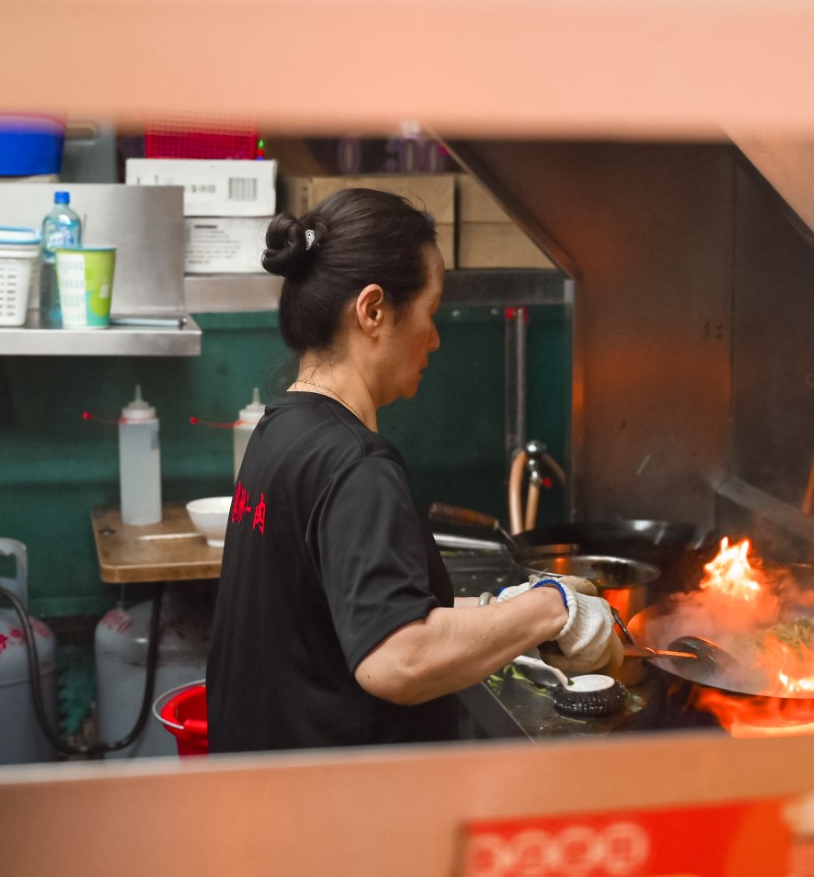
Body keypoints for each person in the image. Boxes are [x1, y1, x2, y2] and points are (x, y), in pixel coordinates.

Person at [206, 188, 621, 752]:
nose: (437, 336)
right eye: (431, 311)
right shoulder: (356, 464)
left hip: (267, 805)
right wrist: (554, 608)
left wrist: (507, 608)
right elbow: (396, 656)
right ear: (373, 310)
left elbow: (353, 611)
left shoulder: (281, 430)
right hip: (336, 819)